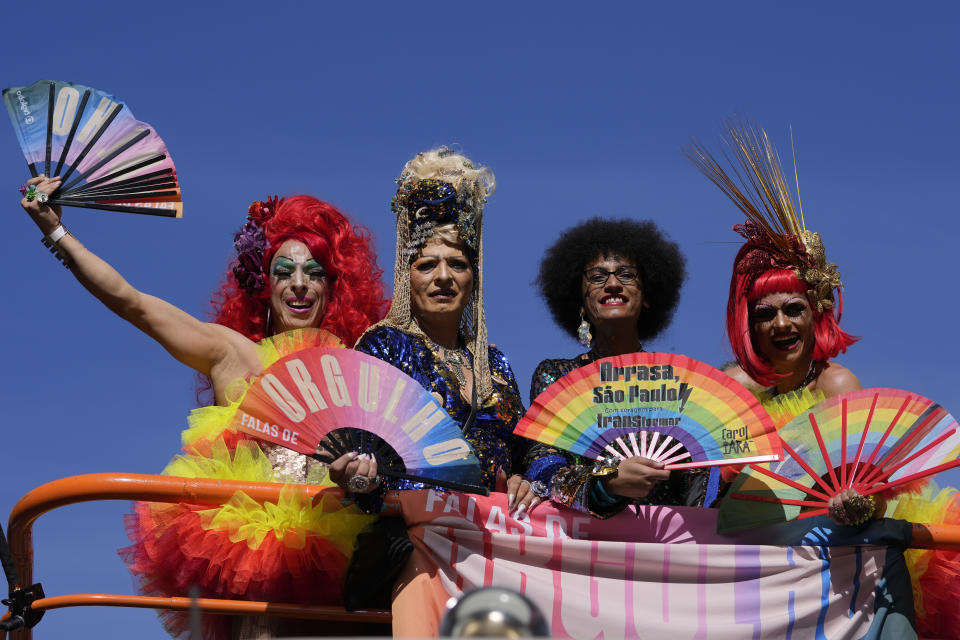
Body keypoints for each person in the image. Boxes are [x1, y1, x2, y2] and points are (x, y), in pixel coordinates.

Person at [19, 176, 389, 639]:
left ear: (334, 287)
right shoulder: (232, 354)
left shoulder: (358, 366)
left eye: (315, 272)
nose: (299, 285)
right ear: (263, 283)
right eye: (284, 270)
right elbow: (133, 304)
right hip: (253, 551)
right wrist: (55, 230)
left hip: (342, 553)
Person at [685, 121, 868, 526]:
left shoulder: (835, 384)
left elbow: (859, 483)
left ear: (816, 312)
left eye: (794, 309)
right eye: (765, 314)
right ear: (748, 325)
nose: (781, 324)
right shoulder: (736, 389)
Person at [524, 218, 706, 518]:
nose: (612, 283)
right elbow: (542, 464)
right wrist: (606, 483)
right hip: (583, 549)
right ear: (580, 302)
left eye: (626, 274)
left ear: (646, 295)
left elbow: (697, 481)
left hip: (661, 550)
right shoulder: (556, 376)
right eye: (597, 276)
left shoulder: (677, 383)